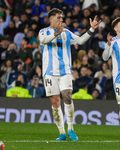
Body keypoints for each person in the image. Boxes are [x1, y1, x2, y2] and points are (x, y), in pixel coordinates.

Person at [38, 8, 100, 141]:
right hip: (49, 73)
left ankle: (71, 128)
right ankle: (61, 132)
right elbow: (44, 41)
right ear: (51, 19)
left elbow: (81, 40)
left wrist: (91, 29)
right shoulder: (43, 32)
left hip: (65, 72)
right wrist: (56, 34)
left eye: (62, 17)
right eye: (59, 18)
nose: (62, 20)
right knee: (55, 102)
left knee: (67, 97)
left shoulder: (66, 33)